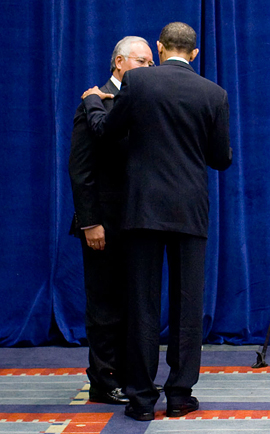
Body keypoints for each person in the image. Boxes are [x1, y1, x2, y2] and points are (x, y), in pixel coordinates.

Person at [81, 22, 233, 420]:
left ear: (161, 48)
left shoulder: (140, 83)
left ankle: (143, 400)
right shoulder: (214, 93)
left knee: (143, 306)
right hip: (189, 210)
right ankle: (180, 395)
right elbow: (221, 159)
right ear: (195, 54)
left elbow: (107, 132)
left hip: (143, 210)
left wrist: (95, 102)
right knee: (187, 304)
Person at [69, 36, 154, 405]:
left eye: (152, 63)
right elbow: (81, 170)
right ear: (120, 62)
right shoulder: (93, 101)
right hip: (103, 223)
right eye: (143, 61)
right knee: (104, 306)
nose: (150, 69)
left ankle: (128, 375)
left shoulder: (139, 102)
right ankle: (103, 381)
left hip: (137, 221)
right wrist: (90, 223)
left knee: (132, 304)